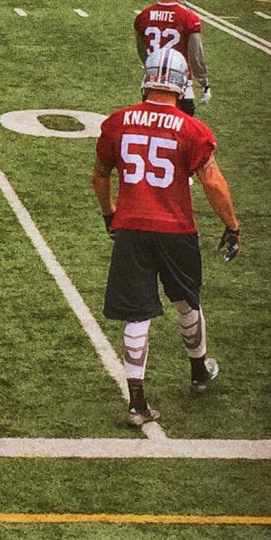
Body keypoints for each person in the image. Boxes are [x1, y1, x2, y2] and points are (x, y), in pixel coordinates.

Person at [92, 47, 241, 426]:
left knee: (137, 314)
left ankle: (137, 403)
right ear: (180, 84)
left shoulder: (117, 122)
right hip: (176, 230)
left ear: (147, 81)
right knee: (186, 301)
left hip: (132, 229)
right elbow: (213, 182)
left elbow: (101, 174)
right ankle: (199, 371)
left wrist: (110, 213)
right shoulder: (192, 130)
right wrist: (232, 224)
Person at [134, 0, 210, 115]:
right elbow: (195, 56)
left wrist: (152, 67)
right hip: (180, 85)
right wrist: (204, 82)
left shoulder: (144, 16)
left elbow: (142, 51)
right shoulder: (188, 18)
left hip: (152, 84)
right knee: (182, 127)